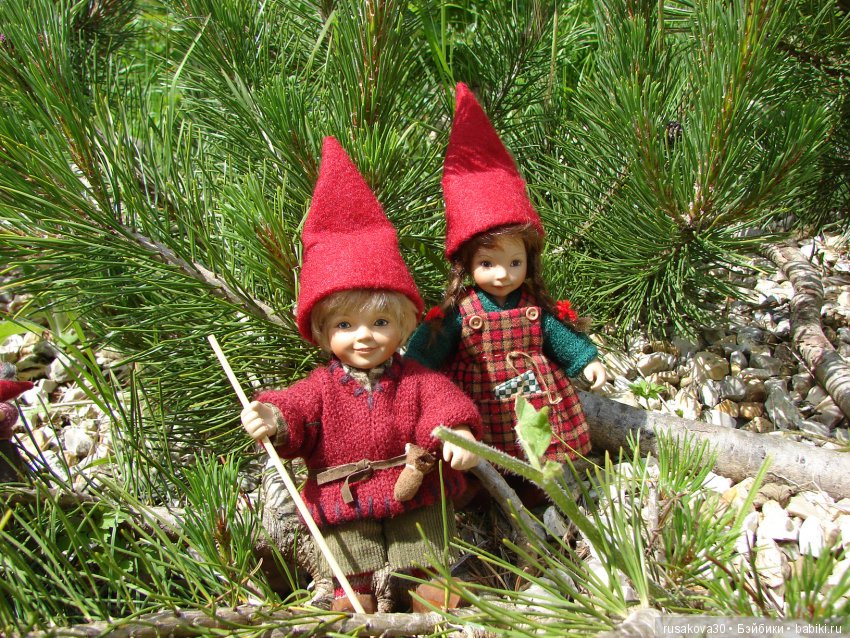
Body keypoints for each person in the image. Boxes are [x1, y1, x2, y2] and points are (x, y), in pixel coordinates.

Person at [240, 137, 481, 613]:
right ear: (323, 330)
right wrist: (272, 417)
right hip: (345, 498)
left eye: (381, 322)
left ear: (404, 325)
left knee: (424, 545)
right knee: (352, 560)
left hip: (412, 489)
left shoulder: (413, 379)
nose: (364, 337)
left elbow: (442, 401)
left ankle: (426, 589)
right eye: (345, 326)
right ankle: (353, 597)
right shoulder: (322, 386)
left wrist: (457, 433)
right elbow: (296, 408)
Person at [405, 83, 606, 497]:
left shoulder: (531, 306)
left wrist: (584, 360)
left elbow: (557, 334)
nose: (503, 275)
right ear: (466, 265)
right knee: (486, 453)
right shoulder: (461, 312)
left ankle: (543, 486)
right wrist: (415, 373)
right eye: (487, 264)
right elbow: (430, 348)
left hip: (537, 395)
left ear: (529, 260)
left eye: (515, 263)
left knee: (543, 445)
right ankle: (484, 487)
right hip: (481, 399)